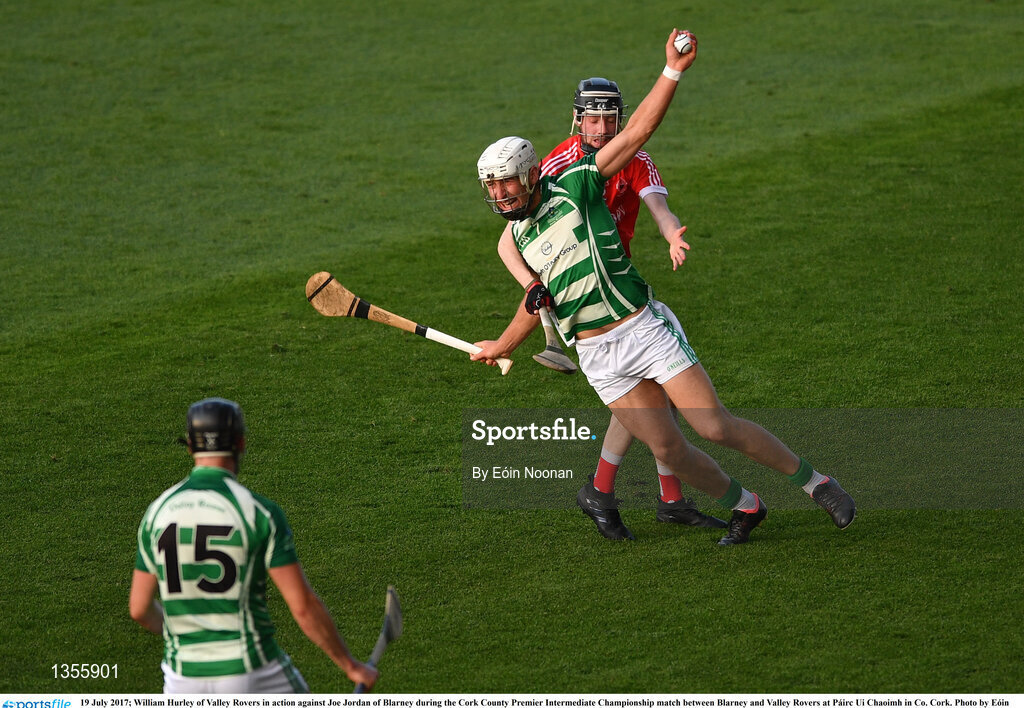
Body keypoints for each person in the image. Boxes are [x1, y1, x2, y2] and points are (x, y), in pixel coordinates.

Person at [472, 29, 856, 545]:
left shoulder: (576, 186)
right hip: (597, 356)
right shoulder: (519, 235)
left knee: (713, 426)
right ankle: (746, 506)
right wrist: (501, 343)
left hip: (642, 329)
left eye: (506, 183)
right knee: (669, 450)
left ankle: (817, 483)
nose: (499, 194)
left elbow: (636, 135)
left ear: (528, 175)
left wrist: (672, 70)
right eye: (491, 187)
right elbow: (533, 303)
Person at [496, 76, 724, 538]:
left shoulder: (635, 158)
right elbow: (509, 238)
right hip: (575, 281)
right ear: (577, 118)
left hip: (615, 278)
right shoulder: (557, 165)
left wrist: (670, 232)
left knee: (652, 397)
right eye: (593, 118)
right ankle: (641, 495)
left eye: (610, 118)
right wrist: (532, 283)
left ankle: (648, 497)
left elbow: (658, 205)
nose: (601, 128)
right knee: (648, 396)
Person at [129, 397, 378, 693]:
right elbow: (302, 606)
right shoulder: (257, 512)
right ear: (241, 443)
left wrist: (183, 637)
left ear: (190, 447)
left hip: (181, 679)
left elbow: (139, 609)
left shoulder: (157, 512)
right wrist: (351, 666)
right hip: (252, 670)